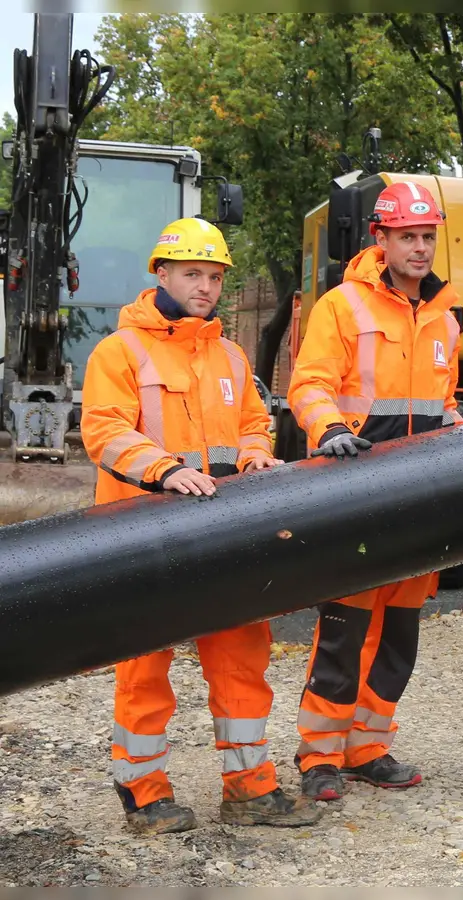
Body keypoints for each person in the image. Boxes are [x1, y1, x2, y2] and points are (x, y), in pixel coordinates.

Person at [81, 218, 320, 834]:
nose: (206, 287)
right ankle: (144, 793)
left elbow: (251, 423)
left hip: (223, 534)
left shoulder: (230, 355)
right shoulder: (121, 352)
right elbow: (104, 432)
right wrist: (162, 470)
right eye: (193, 274)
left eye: (215, 277)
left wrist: (256, 455)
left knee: (242, 658)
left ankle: (249, 790)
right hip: (144, 534)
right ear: (160, 274)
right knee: (144, 667)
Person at [288, 180, 463, 802]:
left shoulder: (443, 314)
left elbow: (443, 403)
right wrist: (329, 427)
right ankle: (319, 757)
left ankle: (367, 747)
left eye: (427, 237)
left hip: (419, 500)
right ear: (381, 239)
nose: (420, 249)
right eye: (408, 237)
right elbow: (307, 384)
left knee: (398, 639)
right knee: (343, 633)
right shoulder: (341, 306)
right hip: (357, 492)